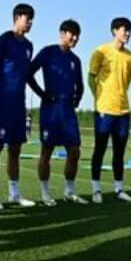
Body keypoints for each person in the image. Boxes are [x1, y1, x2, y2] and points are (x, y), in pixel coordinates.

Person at [28, 19, 84, 206]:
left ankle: (69, 191)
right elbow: (29, 73)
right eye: (72, 34)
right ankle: (45, 193)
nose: (75, 38)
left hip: (68, 111)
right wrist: (42, 94)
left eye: (77, 35)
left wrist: (77, 98)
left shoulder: (75, 60)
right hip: (50, 110)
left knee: (74, 151)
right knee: (47, 151)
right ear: (62, 34)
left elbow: (80, 85)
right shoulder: (48, 52)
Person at [0, 4, 35, 210]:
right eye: (27, 18)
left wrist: (41, 93)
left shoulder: (29, 46)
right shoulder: (4, 40)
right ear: (16, 18)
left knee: (15, 149)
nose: (30, 22)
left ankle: (14, 194)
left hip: (18, 105)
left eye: (32, 19)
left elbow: (27, 75)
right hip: (2, 103)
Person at [87, 17, 131, 203]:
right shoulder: (101, 51)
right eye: (125, 30)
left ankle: (119, 189)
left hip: (123, 111)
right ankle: (96, 190)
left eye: (129, 30)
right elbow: (91, 78)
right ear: (115, 30)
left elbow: (127, 82)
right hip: (104, 110)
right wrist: (98, 98)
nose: (128, 34)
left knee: (119, 152)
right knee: (99, 149)